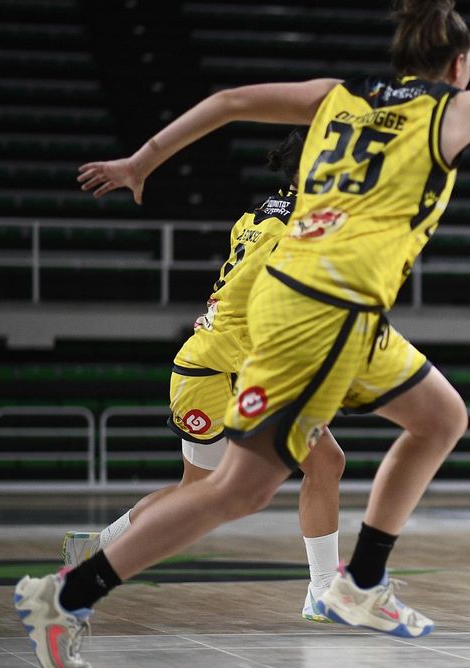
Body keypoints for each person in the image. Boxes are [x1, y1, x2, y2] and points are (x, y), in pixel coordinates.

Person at [14, 0, 470, 668]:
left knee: (440, 415)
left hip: (326, 304)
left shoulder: (337, 95)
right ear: (459, 64)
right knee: (239, 490)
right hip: (326, 308)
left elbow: (229, 99)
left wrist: (142, 161)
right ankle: (66, 594)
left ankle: (362, 581)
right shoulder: (458, 108)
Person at [61, 130, 354, 623]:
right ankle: (322, 589)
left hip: (221, 362)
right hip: (225, 369)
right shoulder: (298, 229)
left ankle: (96, 549)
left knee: (310, 466)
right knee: (217, 491)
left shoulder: (262, 214)